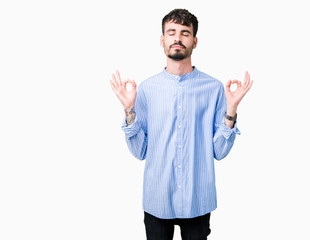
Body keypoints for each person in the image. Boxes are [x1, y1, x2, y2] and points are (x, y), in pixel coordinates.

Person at [109, 8, 253, 240]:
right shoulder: (146, 89)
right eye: (171, 32)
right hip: (157, 200)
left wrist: (232, 110)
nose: (177, 38)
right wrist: (129, 110)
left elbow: (219, 152)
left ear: (194, 41)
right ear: (162, 40)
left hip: (198, 199)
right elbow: (140, 152)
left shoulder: (214, 88)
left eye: (185, 33)